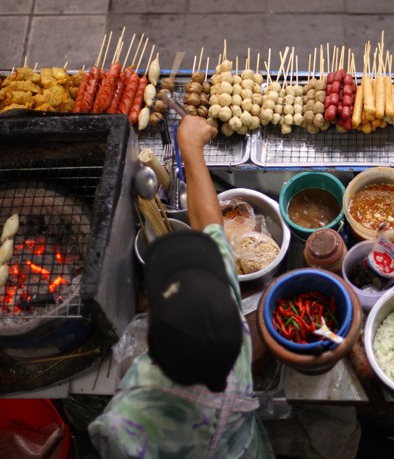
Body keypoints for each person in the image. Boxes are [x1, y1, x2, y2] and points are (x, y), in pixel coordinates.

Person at [88, 115, 274, 458]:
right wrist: (191, 147)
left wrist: (188, 142)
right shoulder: (236, 341)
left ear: (150, 343)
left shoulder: (124, 422)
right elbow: (211, 226)